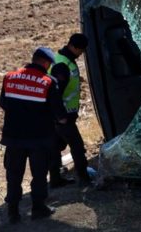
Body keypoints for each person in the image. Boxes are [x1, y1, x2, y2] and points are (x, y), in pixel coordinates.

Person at [0, 47, 64, 223]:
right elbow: (59, 114)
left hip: (13, 137)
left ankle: (13, 213)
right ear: (45, 63)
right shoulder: (48, 82)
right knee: (39, 174)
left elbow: (3, 103)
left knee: (13, 175)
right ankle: (38, 208)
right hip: (40, 139)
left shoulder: (9, 77)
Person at [48, 33, 92, 188]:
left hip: (58, 116)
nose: (81, 53)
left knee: (55, 148)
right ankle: (84, 178)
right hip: (62, 116)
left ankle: (55, 179)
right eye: (80, 50)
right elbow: (54, 94)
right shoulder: (62, 65)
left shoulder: (62, 60)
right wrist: (60, 117)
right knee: (77, 147)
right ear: (72, 46)